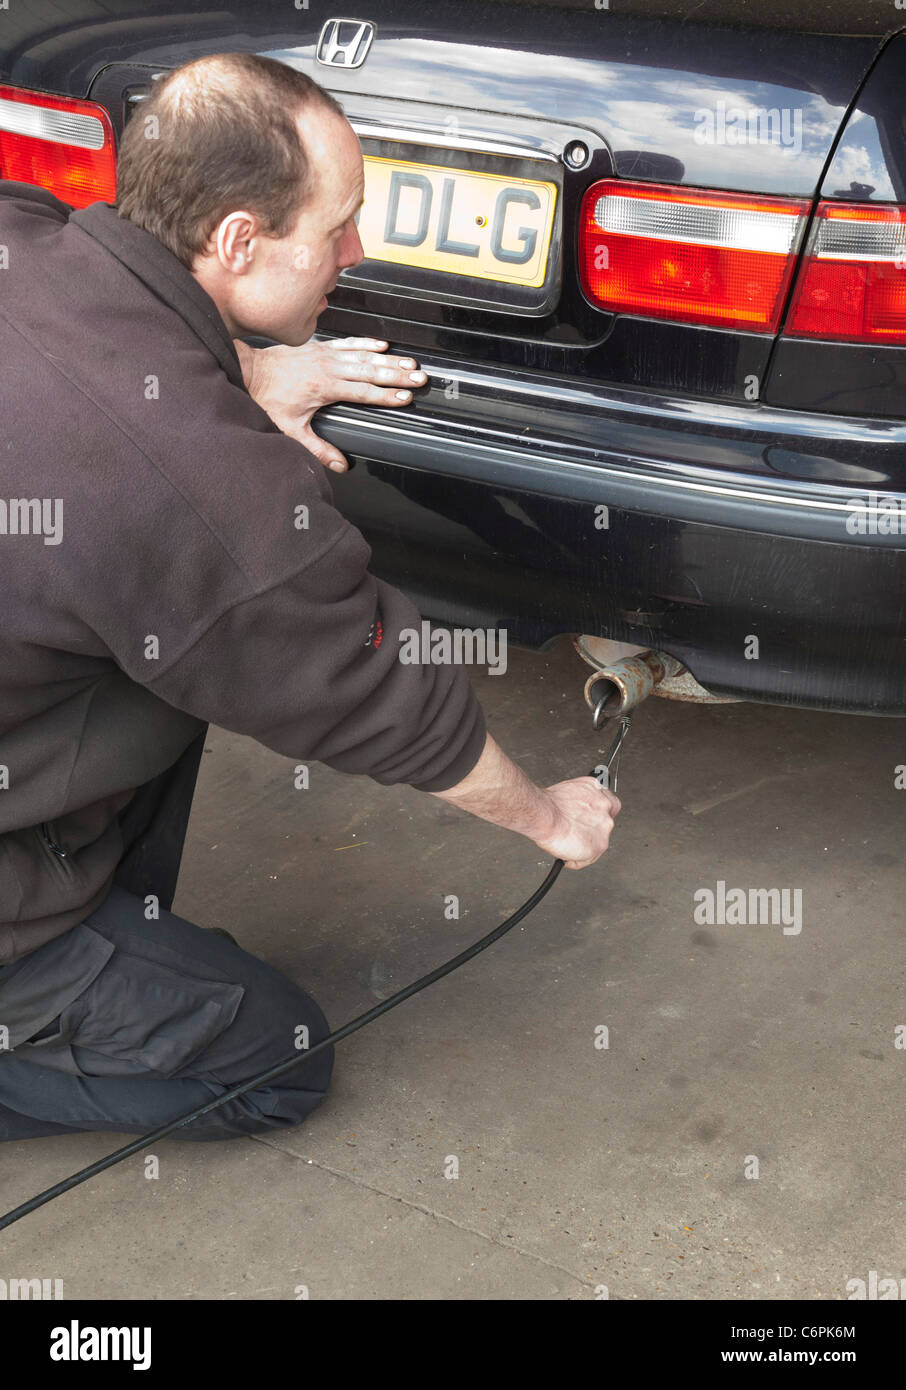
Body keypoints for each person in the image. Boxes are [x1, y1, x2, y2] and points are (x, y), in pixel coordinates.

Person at [0, 53, 619, 1143]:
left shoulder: (25, 237)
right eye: (337, 229)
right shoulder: (195, 491)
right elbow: (382, 691)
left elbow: (98, 372)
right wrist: (553, 817)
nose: (358, 252)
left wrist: (231, 365)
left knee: (156, 667)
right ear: (238, 240)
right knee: (281, 1060)